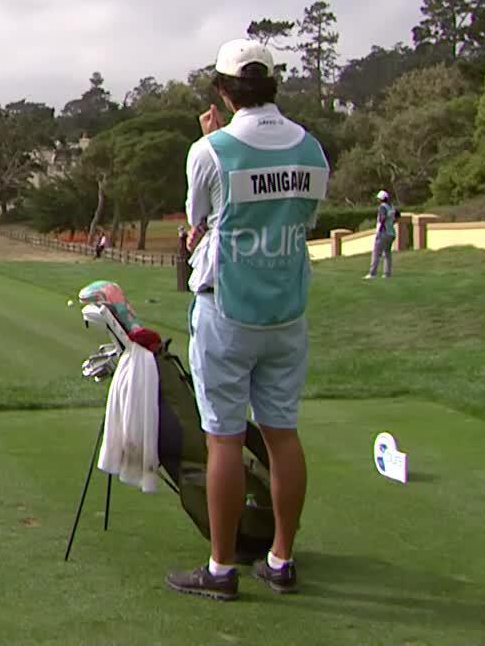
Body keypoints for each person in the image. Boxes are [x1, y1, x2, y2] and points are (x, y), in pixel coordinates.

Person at [167, 39, 328, 601]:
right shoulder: (311, 148)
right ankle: (281, 559)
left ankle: (221, 567)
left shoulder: (210, 151)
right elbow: (304, 217)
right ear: (274, 85)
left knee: (224, 439)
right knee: (282, 435)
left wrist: (208, 137)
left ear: (223, 90)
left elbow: (197, 221)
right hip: (286, 310)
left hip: (227, 308)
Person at [366, 190, 398, 280]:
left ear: (381, 199)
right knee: (387, 254)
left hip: (383, 232)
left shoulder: (382, 207)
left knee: (376, 253)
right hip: (391, 233)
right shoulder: (392, 207)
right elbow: (397, 216)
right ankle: (387, 274)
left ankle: (372, 273)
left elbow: (382, 219)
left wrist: (379, 229)